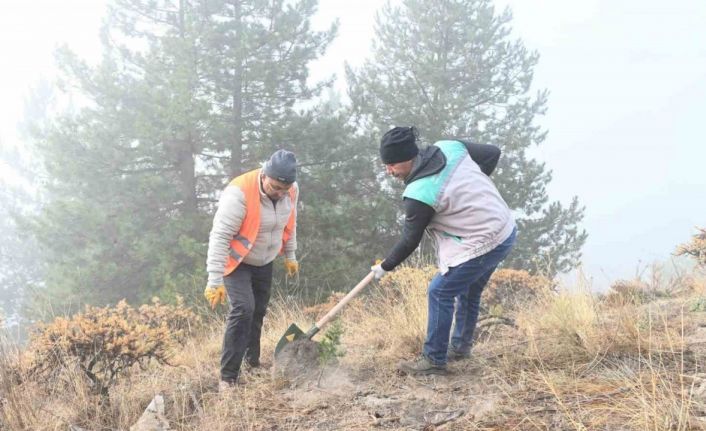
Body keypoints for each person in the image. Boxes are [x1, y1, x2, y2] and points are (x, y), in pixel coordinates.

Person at [371, 126, 516, 375]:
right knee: (469, 290)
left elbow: (409, 240)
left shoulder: (419, 194)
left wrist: (385, 266)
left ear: (407, 158)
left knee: (440, 291)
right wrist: (471, 193)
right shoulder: (450, 147)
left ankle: (434, 361)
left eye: (392, 164)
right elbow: (492, 153)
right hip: (505, 228)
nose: (389, 171)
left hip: (483, 239)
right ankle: (460, 347)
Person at [204, 149, 300, 389]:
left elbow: (291, 222)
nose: (279, 193)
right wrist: (214, 280)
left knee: (258, 311)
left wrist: (291, 255)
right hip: (236, 263)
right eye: (275, 187)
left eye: (283, 190)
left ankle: (252, 364)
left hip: (264, 261)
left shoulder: (291, 191)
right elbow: (220, 236)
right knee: (243, 310)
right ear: (265, 175)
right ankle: (228, 378)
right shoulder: (239, 193)